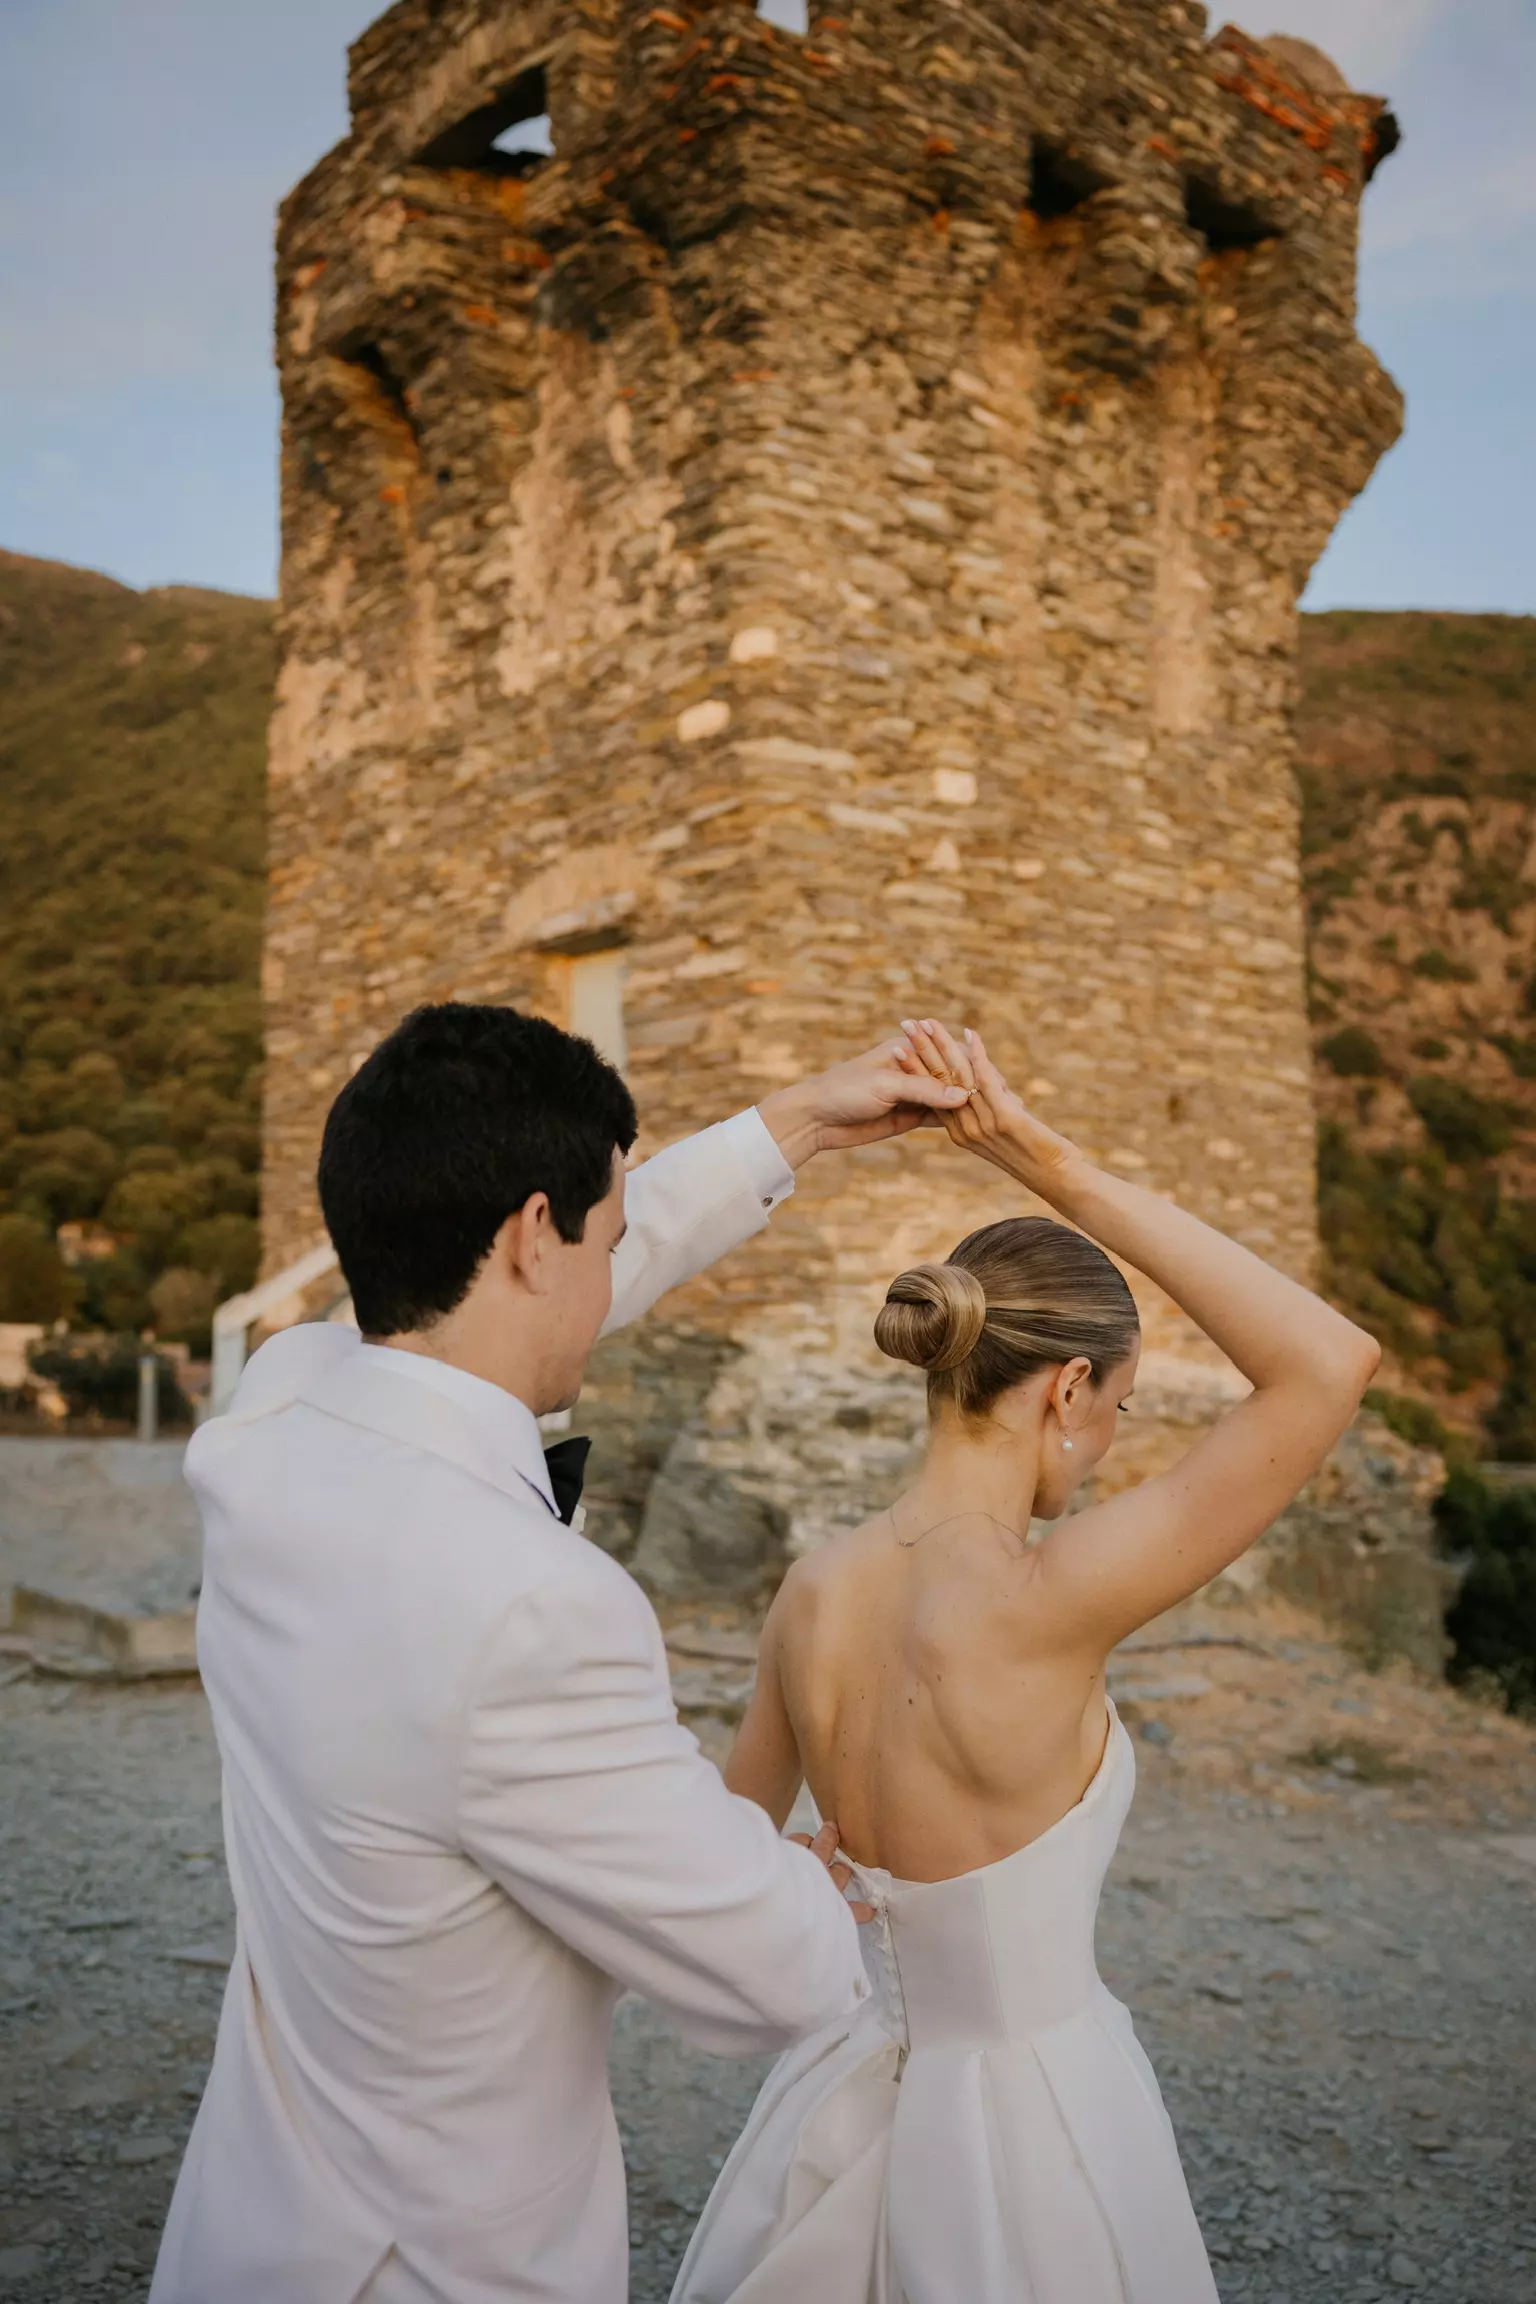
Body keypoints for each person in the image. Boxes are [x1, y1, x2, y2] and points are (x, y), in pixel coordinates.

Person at [149, 1001, 973, 2304]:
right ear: (537, 1234)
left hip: (254, 2227)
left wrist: (803, 1123)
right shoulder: (532, 1608)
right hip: (433, 2269)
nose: (622, 1263)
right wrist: (818, 1873)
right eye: (612, 1226)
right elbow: (770, 1979)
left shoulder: (274, 1411)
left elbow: (515, 1306)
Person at [672, 1018, 1380, 2304]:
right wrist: (1045, 1160)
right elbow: (1328, 1364)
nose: (1107, 1443)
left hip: (837, 2105)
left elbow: (728, 1870)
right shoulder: (1052, 1595)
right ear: (1065, 1390)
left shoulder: (809, 1592)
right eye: (1114, 1407)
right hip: (1036, 2121)